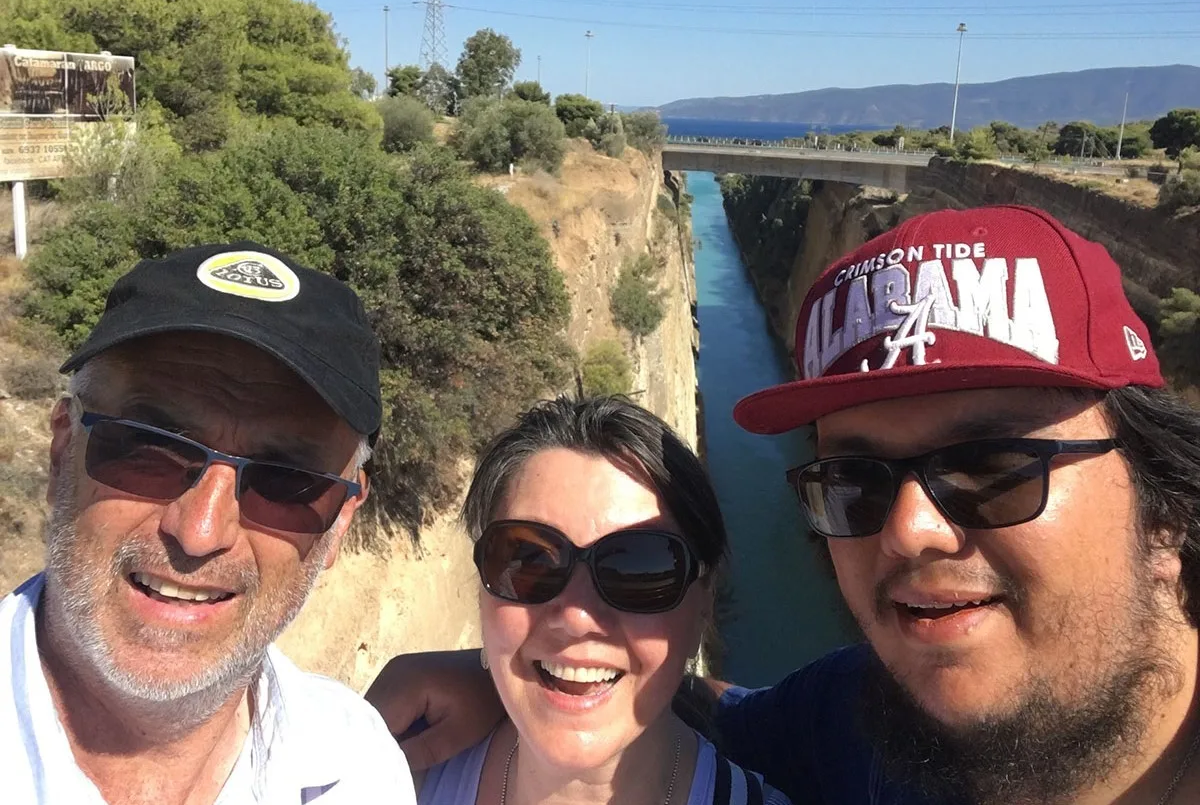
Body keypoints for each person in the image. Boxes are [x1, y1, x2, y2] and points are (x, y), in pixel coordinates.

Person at [366, 204, 1200, 804]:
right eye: (857, 483)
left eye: (993, 468)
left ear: (1165, 504)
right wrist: (506, 676)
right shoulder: (855, 714)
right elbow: (713, 708)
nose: (908, 527)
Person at [2, 242, 417, 803]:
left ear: (341, 520)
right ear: (60, 454)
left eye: (286, 481)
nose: (199, 532)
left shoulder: (360, 768)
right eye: (149, 448)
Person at [417, 395, 790, 805]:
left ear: (704, 601)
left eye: (638, 570)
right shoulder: (380, 777)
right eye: (529, 559)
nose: (576, 616)